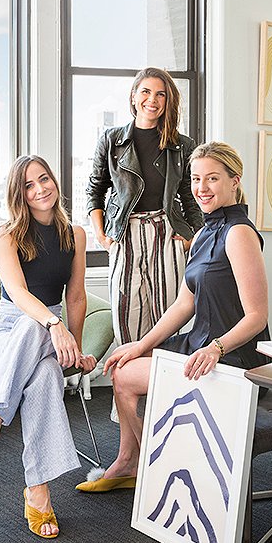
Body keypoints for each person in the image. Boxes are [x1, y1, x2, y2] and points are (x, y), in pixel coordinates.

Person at [76, 141, 270, 492]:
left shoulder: (239, 234)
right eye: (196, 179)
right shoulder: (202, 235)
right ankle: (132, 462)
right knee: (123, 366)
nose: (201, 188)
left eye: (212, 179)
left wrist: (216, 349)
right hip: (200, 343)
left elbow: (257, 316)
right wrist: (141, 344)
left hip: (234, 354)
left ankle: (157, 462)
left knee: (126, 378)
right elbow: (184, 305)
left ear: (234, 181)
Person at [0, 155, 96, 536]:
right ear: (21, 195)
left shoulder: (75, 235)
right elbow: (16, 292)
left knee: (48, 362)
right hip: (6, 330)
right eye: (29, 186)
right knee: (42, 361)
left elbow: (76, 297)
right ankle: (36, 490)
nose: (40, 189)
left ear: (55, 181)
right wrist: (52, 323)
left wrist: (74, 347)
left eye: (44, 179)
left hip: (49, 331)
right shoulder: (8, 235)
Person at [86, 67, 203, 346]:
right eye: (146, 91)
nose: (153, 99)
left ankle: (165, 386)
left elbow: (190, 196)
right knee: (127, 318)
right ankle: (128, 387)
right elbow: (95, 191)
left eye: (160, 94)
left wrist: (192, 236)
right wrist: (102, 237)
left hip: (167, 232)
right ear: (134, 96)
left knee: (170, 318)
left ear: (168, 101)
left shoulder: (182, 145)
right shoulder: (111, 140)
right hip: (124, 234)